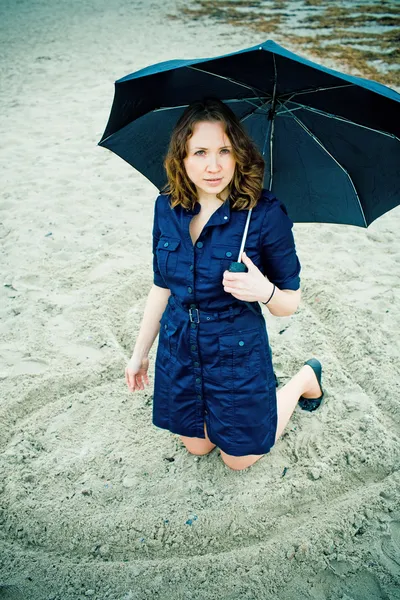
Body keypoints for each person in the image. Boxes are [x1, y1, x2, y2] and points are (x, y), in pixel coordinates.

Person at [125, 97, 324, 471]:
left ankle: (301, 380)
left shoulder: (265, 214)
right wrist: (139, 355)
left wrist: (262, 290)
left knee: (240, 459)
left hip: (236, 353)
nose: (213, 166)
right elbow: (161, 286)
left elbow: (289, 302)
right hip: (180, 346)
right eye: (200, 152)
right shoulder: (166, 207)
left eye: (224, 151)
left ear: (239, 155)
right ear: (181, 158)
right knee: (197, 447)